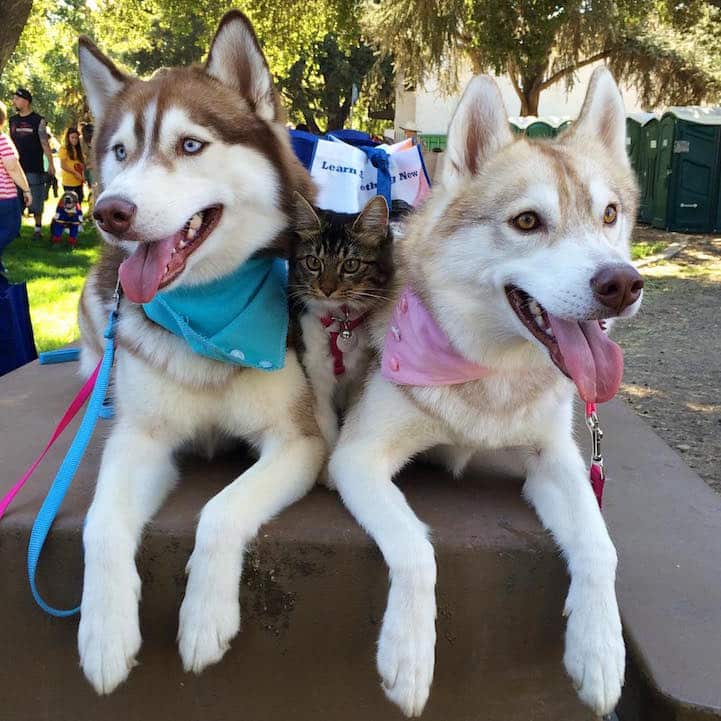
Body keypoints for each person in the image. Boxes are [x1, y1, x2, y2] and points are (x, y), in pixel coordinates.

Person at [9, 88, 55, 239]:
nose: (14, 101)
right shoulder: (12, 121)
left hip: (34, 167)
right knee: (15, 200)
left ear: (26, 101)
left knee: (36, 199)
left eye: (17, 98)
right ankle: (15, 229)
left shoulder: (38, 121)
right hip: (16, 167)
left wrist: (51, 165)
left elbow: (45, 144)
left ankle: (37, 229)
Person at [0, 102, 33, 274]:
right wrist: (26, 189)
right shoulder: (2, 140)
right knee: (11, 228)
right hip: (4, 197)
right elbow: (12, 167)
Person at [58, 127, 85, 204]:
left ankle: (78, 216)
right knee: (70, 203)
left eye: (76, 138)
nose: (74, 140)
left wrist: (82, 175)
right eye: (72, 137)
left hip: (78, 181)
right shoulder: (64, 149)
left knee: (79, 201)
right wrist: (74, 172)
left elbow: (81, 165)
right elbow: (63, 165)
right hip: (69, 182)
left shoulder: (78, 149)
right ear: (68, 138)